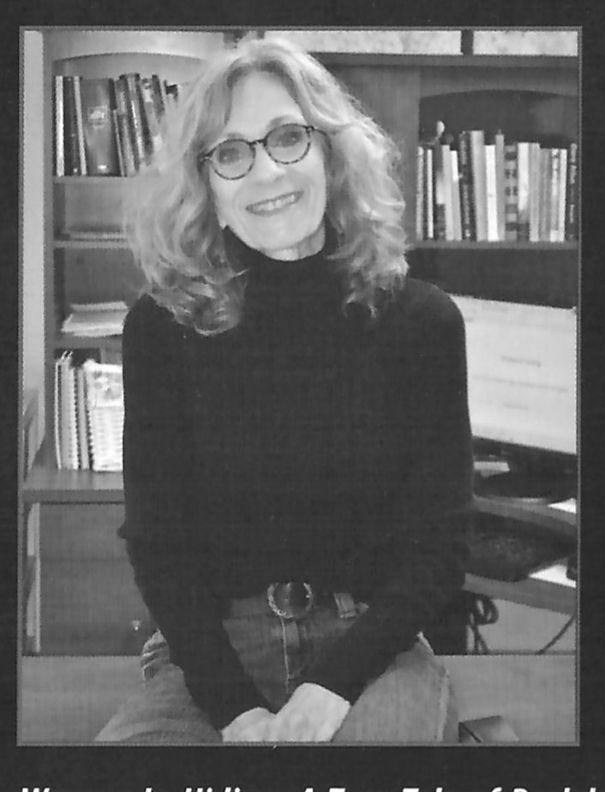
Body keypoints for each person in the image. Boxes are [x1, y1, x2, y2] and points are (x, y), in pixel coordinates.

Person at [95, 36, 473, 745]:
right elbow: (159, 546)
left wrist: (333, 686)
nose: (265, 172)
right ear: (204, 183)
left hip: (370, 646)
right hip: (211, 653)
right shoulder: (160, 327)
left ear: (331, 153)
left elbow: (438, 546)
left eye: (288, 138)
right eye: (231, 153)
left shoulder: (420, 322)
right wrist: (234, 708)